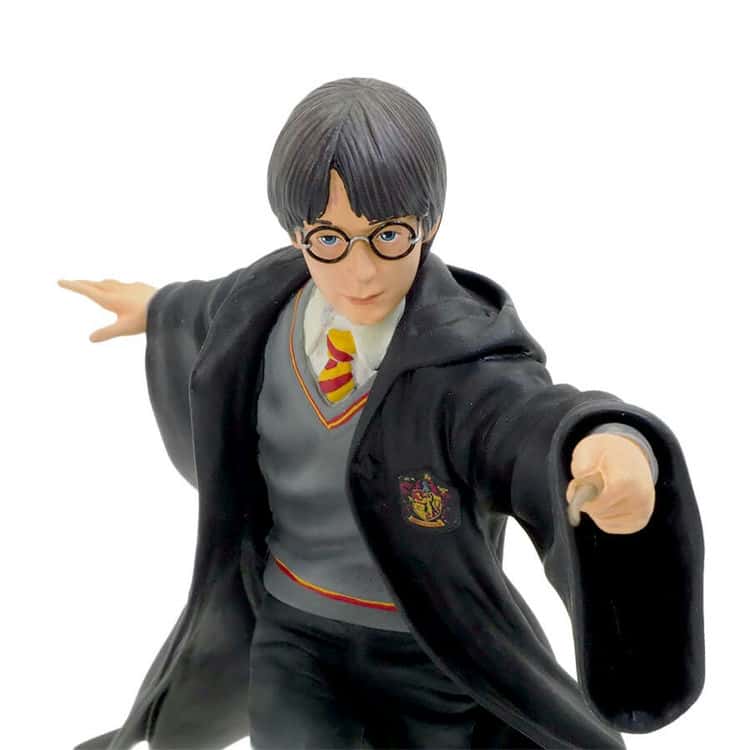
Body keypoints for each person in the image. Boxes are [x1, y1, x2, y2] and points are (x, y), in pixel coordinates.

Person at [61, 78, 704, 750]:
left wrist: (605, 439)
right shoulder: (264, 304)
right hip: (293, 631)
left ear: (430, 225)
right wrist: (156, 308)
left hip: (429, 648)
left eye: (389, 235)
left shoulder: (462, 361)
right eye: (329, 239)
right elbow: (209, 309)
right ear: (297, 234)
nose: (361, 271)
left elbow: (527, 420)